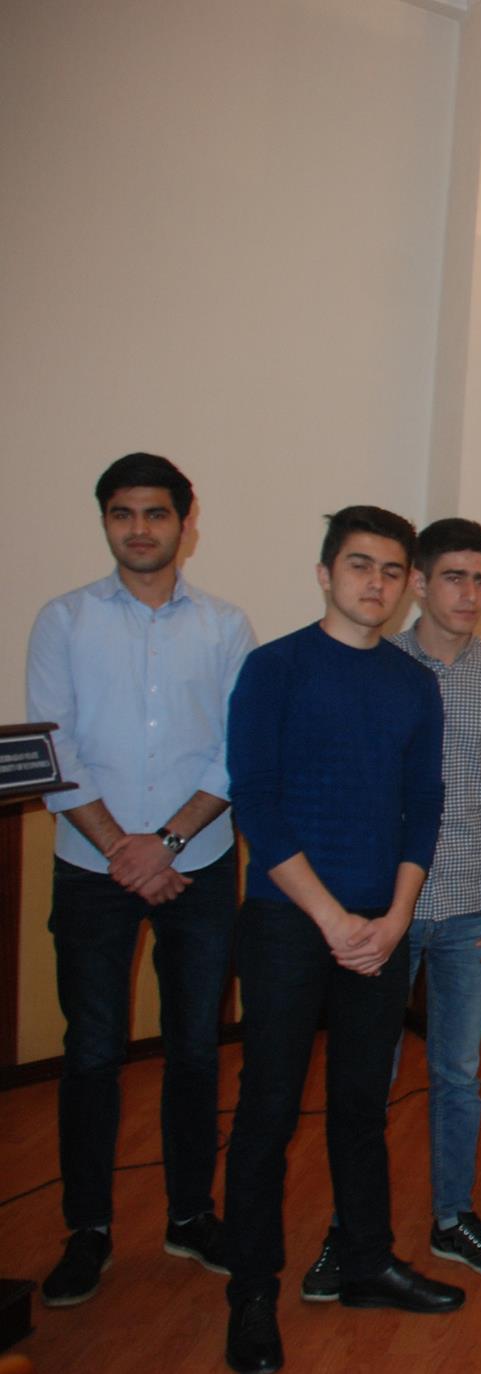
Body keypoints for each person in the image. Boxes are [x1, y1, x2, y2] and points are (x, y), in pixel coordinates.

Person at [222, 507, 456, 1374]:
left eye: (392, 571)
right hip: (290, 923)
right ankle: (252, 1291)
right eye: (360, 565)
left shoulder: (413, 684)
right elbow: (256, 801)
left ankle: (365, 1262)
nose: (376, 584)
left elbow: (423, 807)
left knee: (362, 1105)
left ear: (408, 585)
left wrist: (394, 919)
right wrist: (331, 919)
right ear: (325, 573)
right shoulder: (274, 668)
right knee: (269, 1109)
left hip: (379, 927)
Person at [26, 453, 255, 1307]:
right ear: (106, 522)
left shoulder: (226, 626)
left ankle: (191, 1215)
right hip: (92, 870)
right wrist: (125, 850)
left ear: (185, 523)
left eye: (156, 513)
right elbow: (55, 752)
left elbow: (234, 752)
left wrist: (163, 843)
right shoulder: (64, 620)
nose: (139, 529)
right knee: (91, 1053)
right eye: (122, 513)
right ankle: (86, 1229)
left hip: (198, 865)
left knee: (195, 1049)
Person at [364, 518, 481, 1283]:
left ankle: (452, 1217)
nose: (470, 594)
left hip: (473, 901)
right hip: (381, 908)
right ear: (419, 583)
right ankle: (353, 1226)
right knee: (368, 1074)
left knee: (460, 1073)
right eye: (454, 578)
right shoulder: (376, 665)